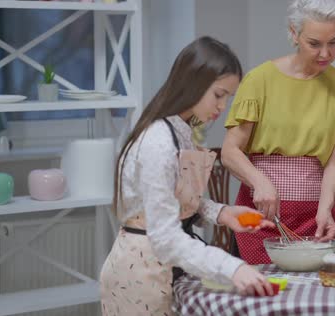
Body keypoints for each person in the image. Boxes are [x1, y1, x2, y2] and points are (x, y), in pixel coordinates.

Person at [100, 36, 276, 315]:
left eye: (227, 98)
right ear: (193, 83)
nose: (222, 107)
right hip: (140, 275)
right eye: (219, 95)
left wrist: (223, 213)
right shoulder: (158, 141)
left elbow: (174, 199)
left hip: (166, 269)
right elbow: (166, 237)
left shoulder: (181, 132)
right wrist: (233, 267)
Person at [222, 0, 335, 264]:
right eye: (314, 43)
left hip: (317, 217)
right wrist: (259, 181)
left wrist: (326, 207)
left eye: (334, 42)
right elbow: (230, 152)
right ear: (294, 33)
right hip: (259, 217)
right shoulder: (259, 81)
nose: (325, 53)